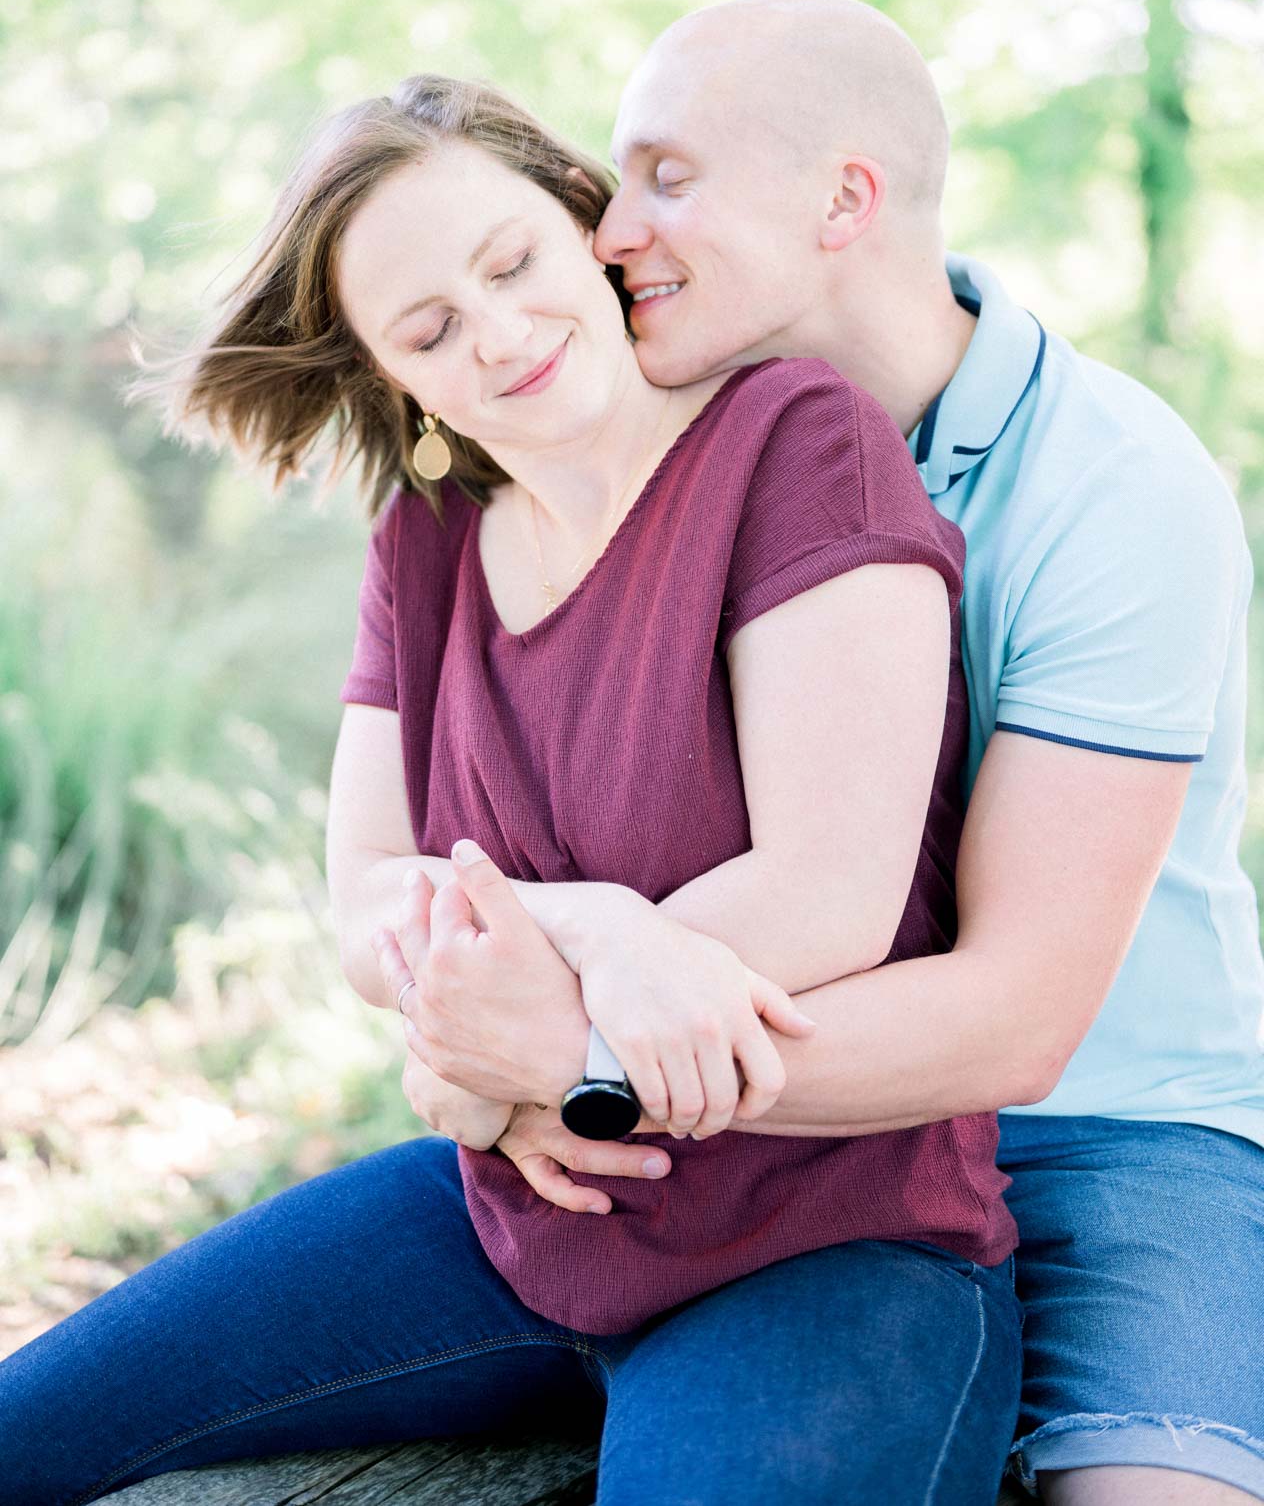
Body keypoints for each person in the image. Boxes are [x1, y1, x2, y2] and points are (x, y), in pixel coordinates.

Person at [0, 74, 1022, 1506]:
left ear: (585, 226)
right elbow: (369, 904)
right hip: (509, 1220)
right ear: (390, 375)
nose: (498, 331)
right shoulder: (423, 536)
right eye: (429, 329)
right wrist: (597, 937)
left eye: (512, 264)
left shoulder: (797, 444)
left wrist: (534, 1042)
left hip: (828, 1250)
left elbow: (830, 894)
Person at [400, 0, 1264, 1505]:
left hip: (1113, 1137)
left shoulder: (1115, 493)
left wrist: (587, 1059)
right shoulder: (678, 449)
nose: (609, 233)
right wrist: (532, 1011)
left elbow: (1017, 1024)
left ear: (843, 201)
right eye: (614, 183)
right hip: (796, 1145)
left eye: (668, 178)